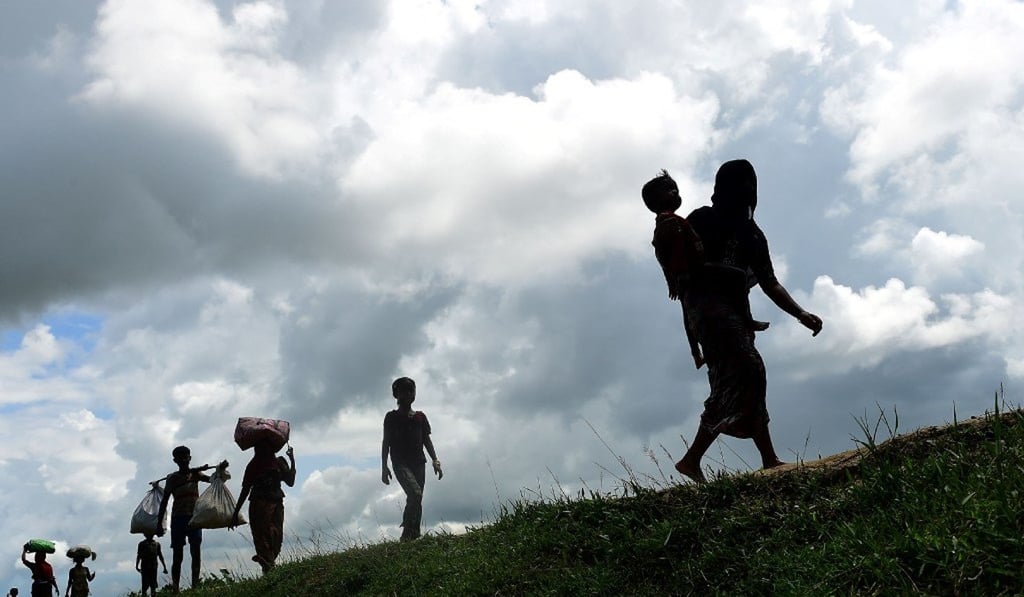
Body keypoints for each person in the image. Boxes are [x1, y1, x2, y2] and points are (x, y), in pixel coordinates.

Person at [664, 159, 823, 483]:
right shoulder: (702, 219)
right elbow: (687, 275)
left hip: (736, 312)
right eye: (739, 184)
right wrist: (692, 333)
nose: (746, 191)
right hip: (708, 310)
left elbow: (769, 281)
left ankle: (710, 458)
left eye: (749, 185)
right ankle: (710, 458)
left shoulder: (752, 234)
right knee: (749, 368)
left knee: (739, 377)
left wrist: (800, 313)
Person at [642, 169, 769, 369]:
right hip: (696, 270)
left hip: (688, 275)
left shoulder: (668, 222)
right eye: (669, 190)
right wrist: (678, 275)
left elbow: (663, 255)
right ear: (655, 200)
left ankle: (696, 354)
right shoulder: (670, 223)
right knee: (738, 276)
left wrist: (674, 280)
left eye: (675, 189)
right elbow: (668, 253)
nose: (675, 193)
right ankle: (747, 318)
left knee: (688, 314)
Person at [156, 445, 226, 592]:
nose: (183, 459)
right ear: (175, 460)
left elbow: (213, 481)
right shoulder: (172, 478)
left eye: (186, 456)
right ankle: (175, 588)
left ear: (190, 458)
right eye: (180, 457)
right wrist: (159, 523)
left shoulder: (196, 475)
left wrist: (220, 470)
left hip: (195, 518)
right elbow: (164, 502)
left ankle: (195, 587)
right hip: (178, 518)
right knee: (178, 555)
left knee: (196, 552)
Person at [381, 377, 443, 541]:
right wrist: (384, 466)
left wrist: (435, 460)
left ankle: (412, 536)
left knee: (417, 497)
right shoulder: (391, 417)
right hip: (400, 463)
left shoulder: (420, 417)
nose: (408, 394)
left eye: (411, 390)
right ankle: (407, 532)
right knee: (415, 493)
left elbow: (426, 440)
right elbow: (386, 442)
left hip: (419, 462)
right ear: (396, 394)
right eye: (404, 390)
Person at [230, 443, 296, 573]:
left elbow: (290, 481)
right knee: (262, 538)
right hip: (258, 506)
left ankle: (268, 564)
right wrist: (235, 512)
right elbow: (245, 489)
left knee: (276, 537)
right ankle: (268, 568)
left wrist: (292, 459)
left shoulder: (279, 463)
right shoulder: (253, 465)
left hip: (276, 504)